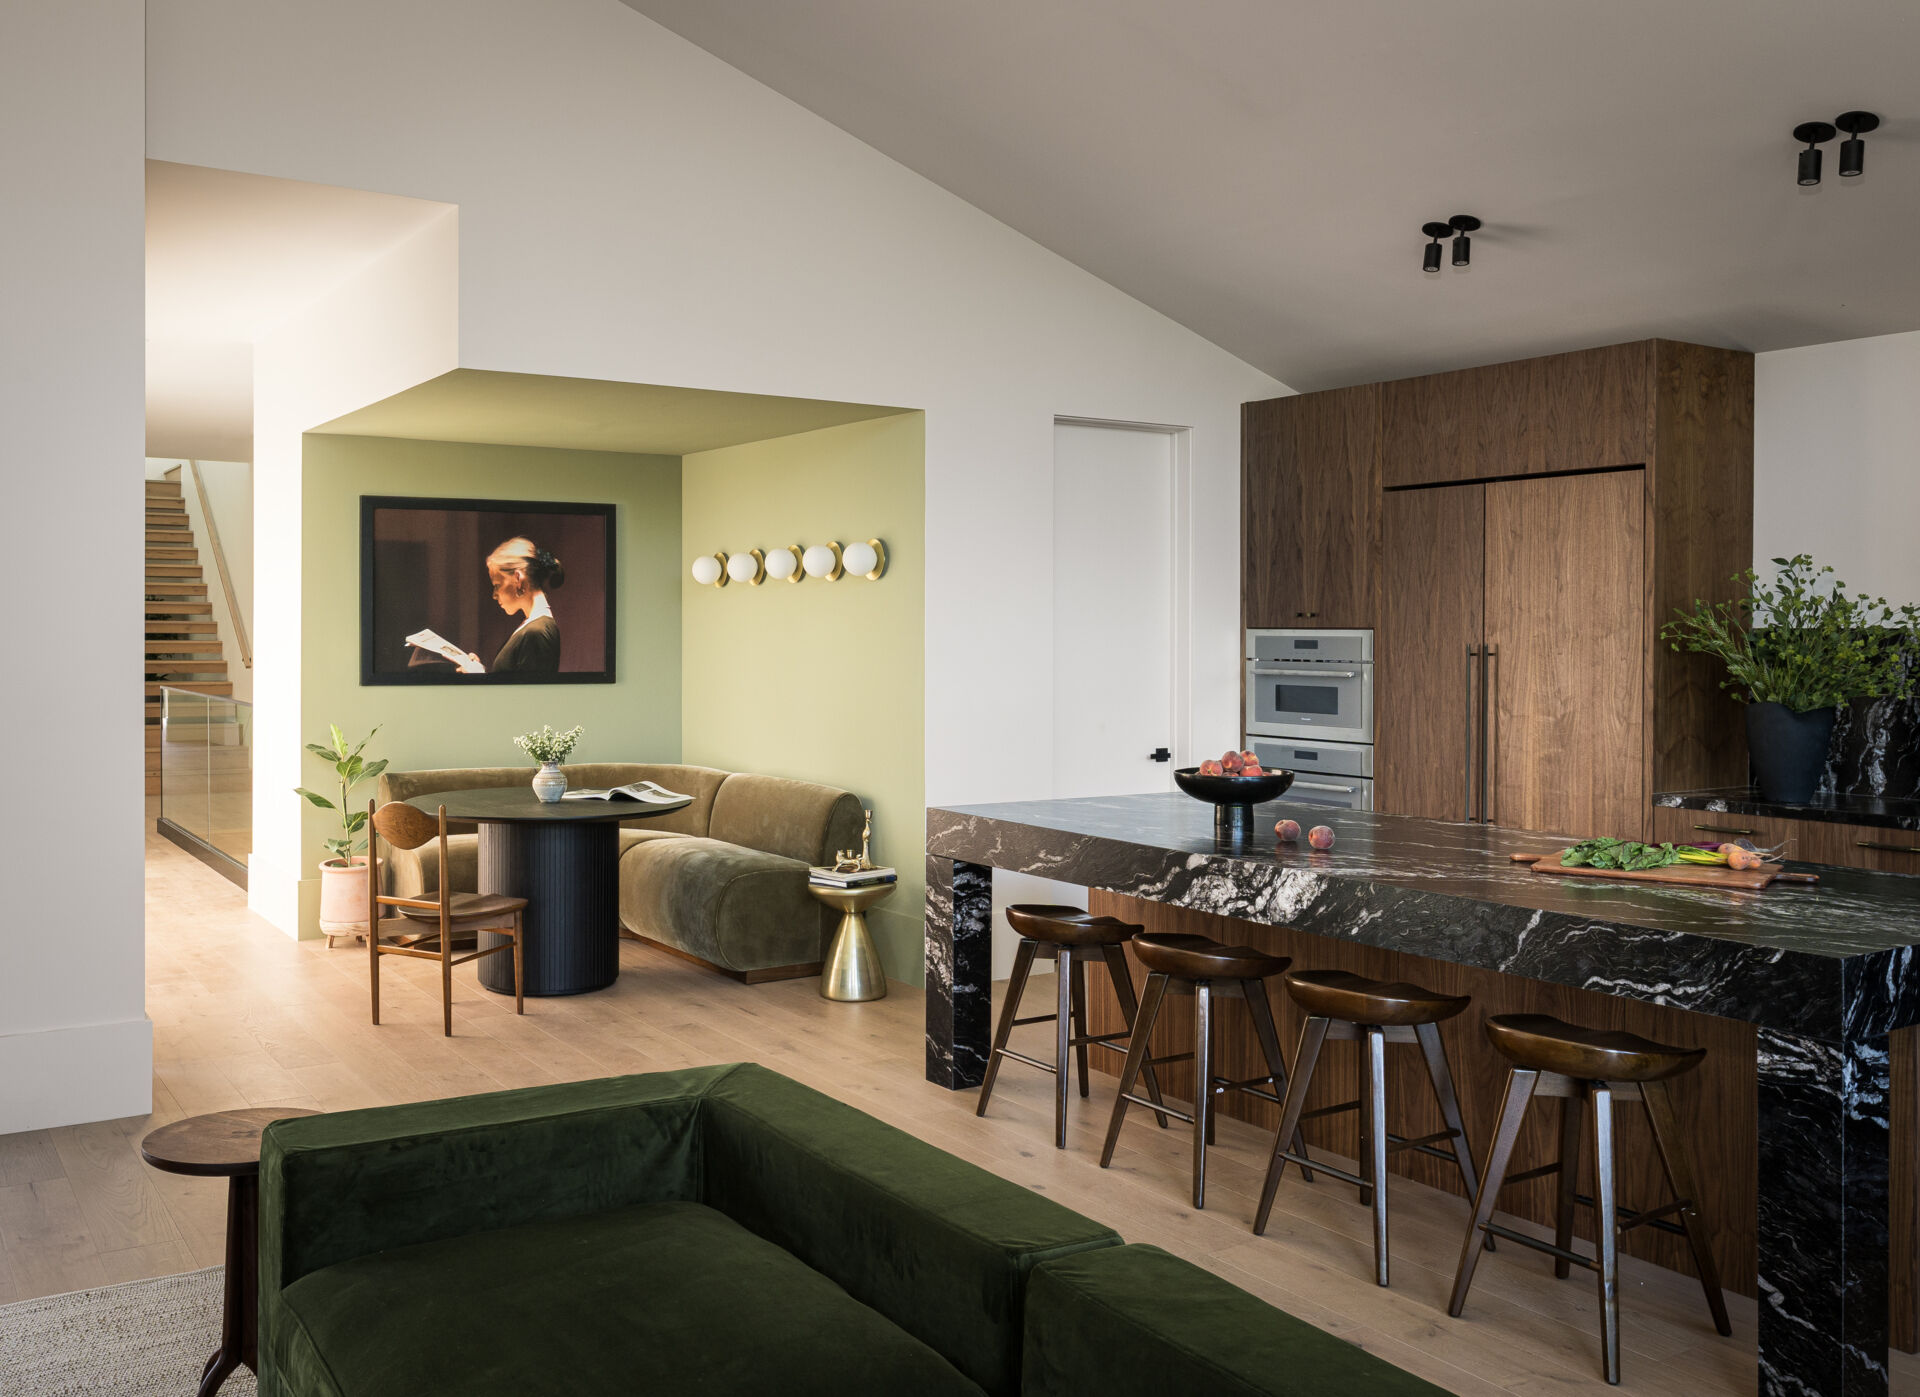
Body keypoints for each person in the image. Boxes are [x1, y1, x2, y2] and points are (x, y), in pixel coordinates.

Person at [459, 536, 564, 674]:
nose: (494, 595)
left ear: (518, 578)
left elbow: (526, 695)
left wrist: (478, 677)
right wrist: (480, 672)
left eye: (497, 585)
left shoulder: (536, 632)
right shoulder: (533, 626)